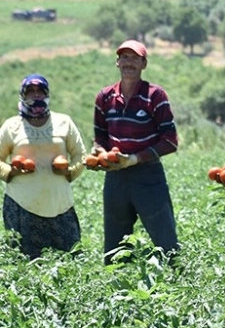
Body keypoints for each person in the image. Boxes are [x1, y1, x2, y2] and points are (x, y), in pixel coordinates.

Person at [89, 40, 180, 265]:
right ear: (117, 62)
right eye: (125, 57)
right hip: (116, 177)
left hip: (148, 176)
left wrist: (135, 158)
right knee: (115, 245)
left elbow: (170, 140)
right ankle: (117, 294)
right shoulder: (105, 97)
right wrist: (100, 152)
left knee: (165, 239)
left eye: (135, 58)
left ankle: (178, 285)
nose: (129, 63)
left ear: (144, 64)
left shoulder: (155, 96)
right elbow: (100, 136)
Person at [0, 74, 86, 259]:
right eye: (30, 91)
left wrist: (69, 171)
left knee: (70, 261)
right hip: (22, 206)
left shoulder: (63, 122)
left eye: (40, 91)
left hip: (60, 204)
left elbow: (80, 154)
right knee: (25, 264)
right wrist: (11, 171)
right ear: (23, 94)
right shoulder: (12, 126)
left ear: (47, 94)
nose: (36, 95)